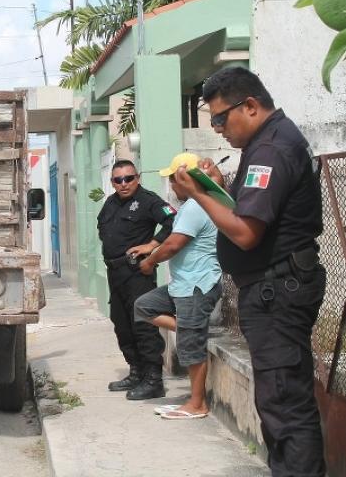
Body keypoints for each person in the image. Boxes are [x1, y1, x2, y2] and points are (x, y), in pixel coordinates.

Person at [174, 67, 326, 476]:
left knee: (284, 405)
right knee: (279, 402)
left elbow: (245, 232)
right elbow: (247, 207)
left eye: (221, 118)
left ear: (251, 106)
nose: (218, 128)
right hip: (274, 287)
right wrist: (215, 185)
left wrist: (196, 196)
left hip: (279, 289)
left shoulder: (272, 148)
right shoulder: (267, 143)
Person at [133, 153, 222, 420]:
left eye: (174, 179)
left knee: (191, 348)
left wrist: (150, 262)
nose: (171, 185)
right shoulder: (193, 203)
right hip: (182, 286)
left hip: (196, 285)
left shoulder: (196, 206)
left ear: (188, 178)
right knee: (144, 306)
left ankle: (197, 404)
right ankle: (189, 328)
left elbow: (174, 244)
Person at [96, 159, 175, 400]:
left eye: (128, 178)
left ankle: (153, 379)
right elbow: (103, 230)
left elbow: (173, 221)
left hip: (136, 273)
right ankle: (136, 371)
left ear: (137, 178)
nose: (123, 184)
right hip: (115, 272)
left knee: (143, 325)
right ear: (112, 182)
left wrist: (152, 245)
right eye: (118, 180)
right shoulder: (110, 203)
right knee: (121, 323)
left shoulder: (148, 201)